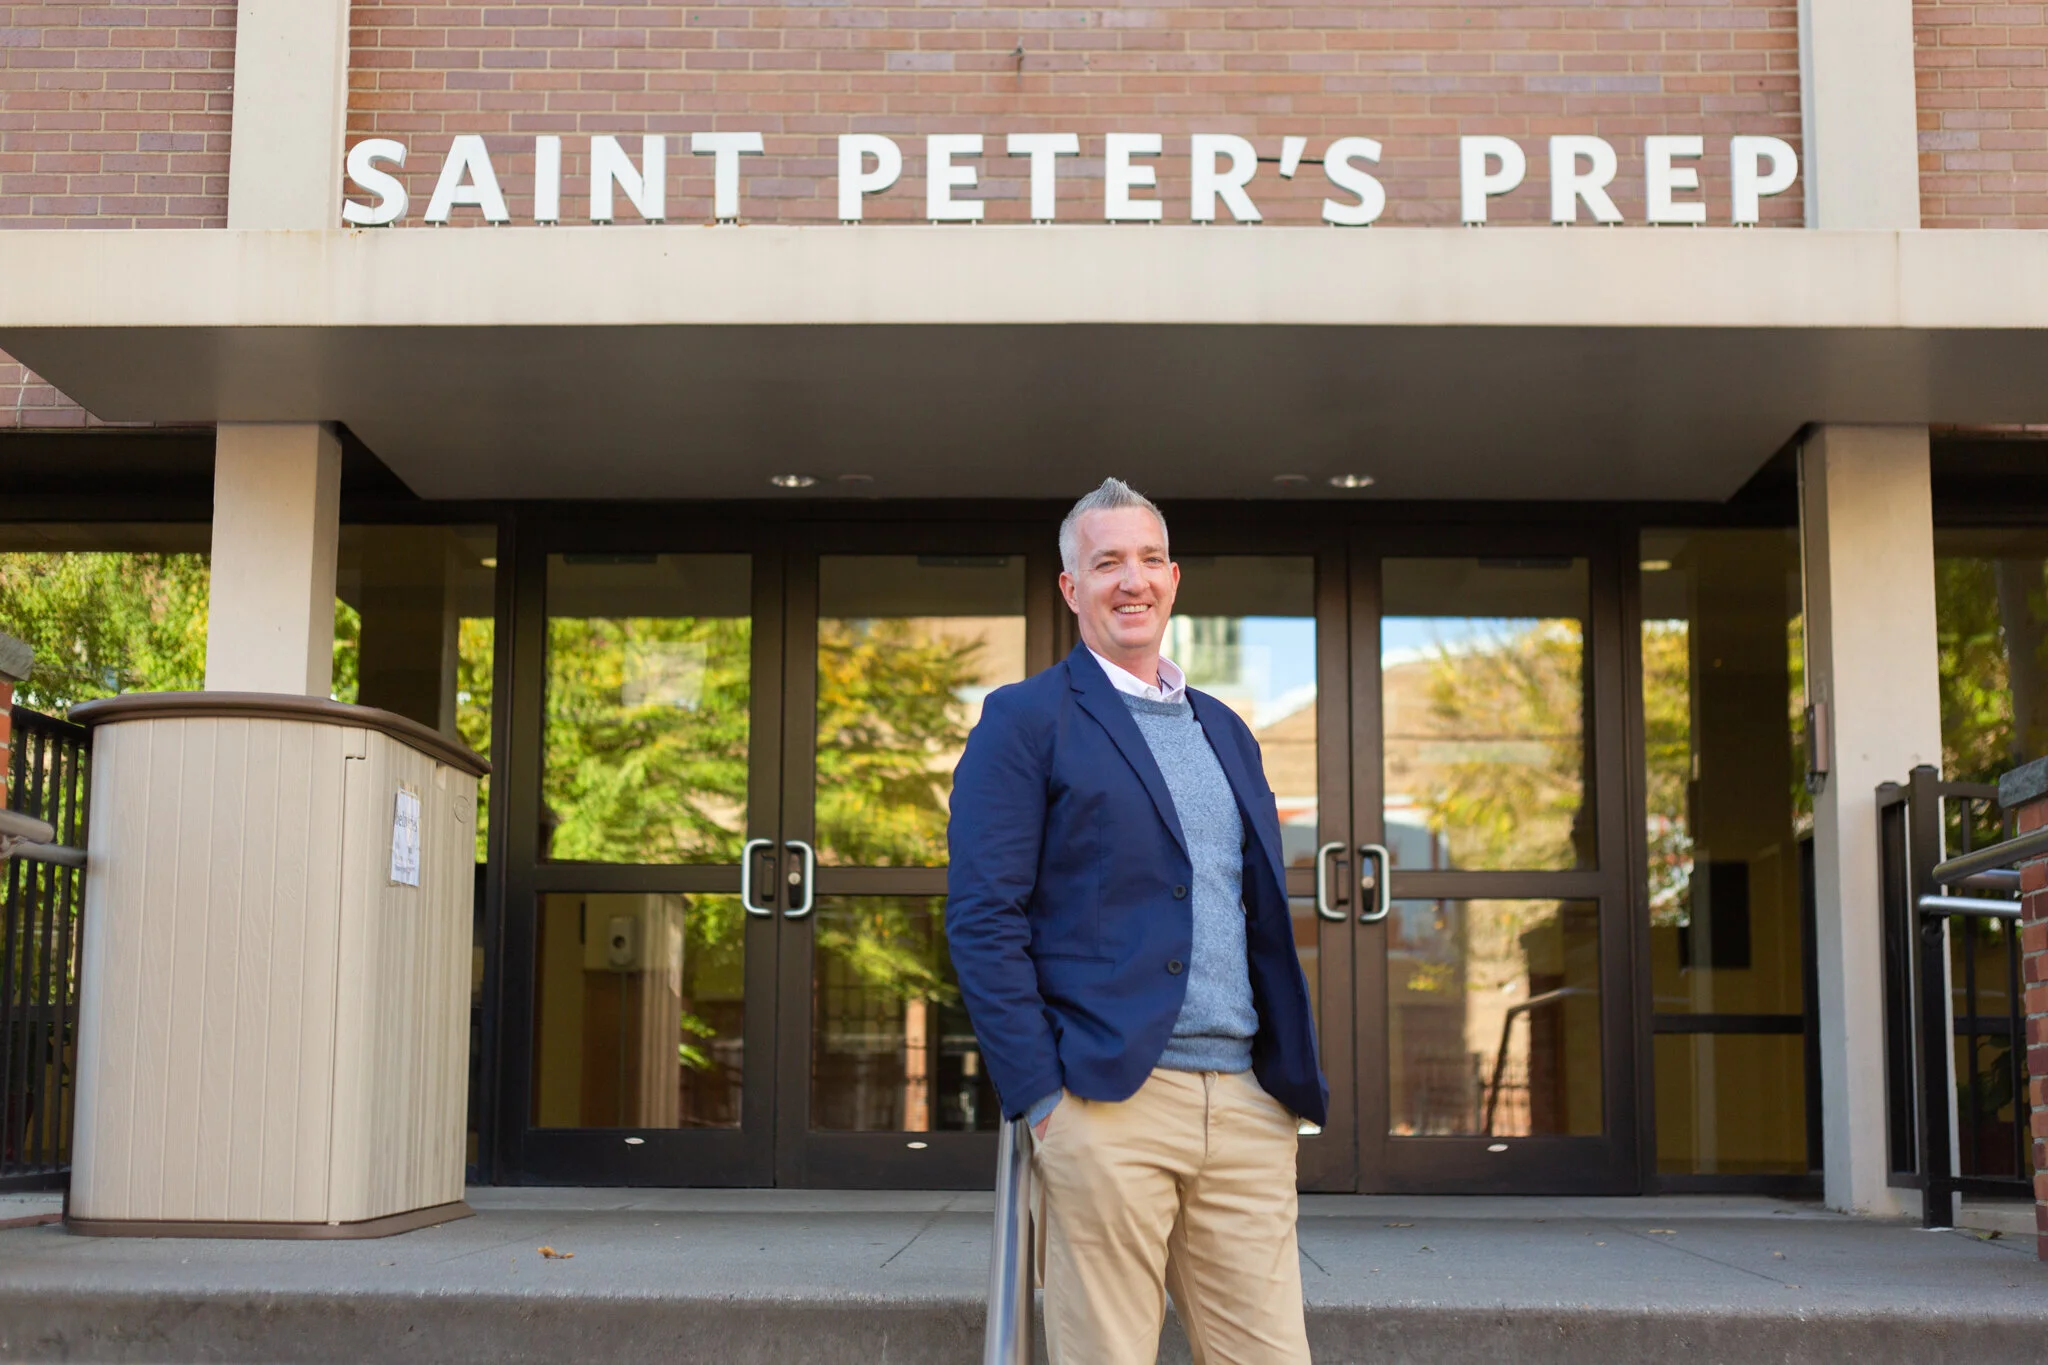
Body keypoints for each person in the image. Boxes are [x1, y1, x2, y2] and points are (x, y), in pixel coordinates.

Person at [947, 477, 1327, 1365]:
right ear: (1071, 588)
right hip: (1108, 1101)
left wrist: (1276, 1086)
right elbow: (982, 917)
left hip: (1243, 1104)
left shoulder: (1227, 727)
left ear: (1175, 577)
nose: (1133, 579)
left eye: (1149, 559)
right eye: (1107, 560)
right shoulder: (1026, 720)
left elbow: (1249, 906)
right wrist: (1043, 1097)